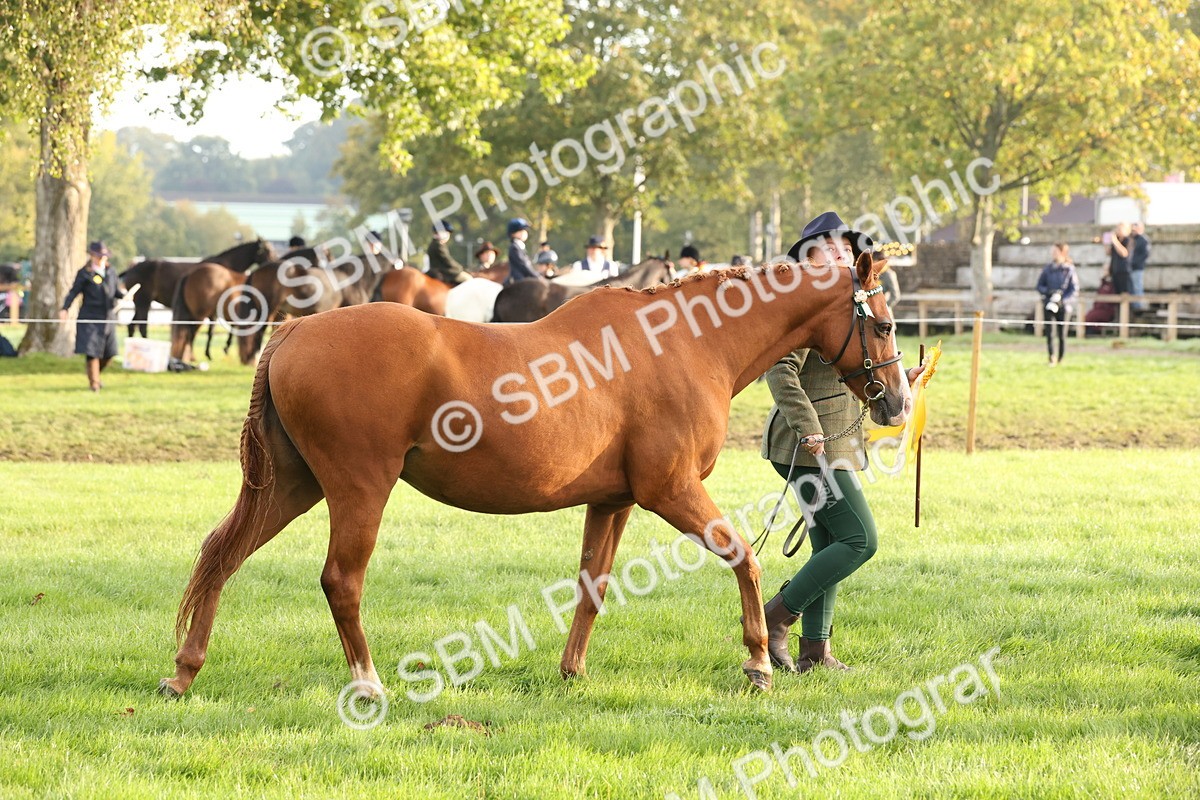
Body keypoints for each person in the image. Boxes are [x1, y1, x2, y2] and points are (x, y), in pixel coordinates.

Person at [760, 211, 923, 674]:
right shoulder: (805, 302)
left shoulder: (844, 302)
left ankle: (815, 652)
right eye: (830, 247)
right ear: (808, 255)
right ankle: (774, 617)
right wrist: (808, 426)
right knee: (859, 539)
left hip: (837, 443)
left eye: (846, 248)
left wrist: (901, 384)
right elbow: (779, 369)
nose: (841, 254)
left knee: (828, 541)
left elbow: (857, 372)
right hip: (808, 446)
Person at [58, 241, 124, 392]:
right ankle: (94, 383)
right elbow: (74, 292)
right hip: (90, 317)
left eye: (104, 257)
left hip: (108, 317)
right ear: (92, 256)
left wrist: (126, 296)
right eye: (98, 256)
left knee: (110, 353)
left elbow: (114, 292)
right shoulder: (85, 273)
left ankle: (95, 376)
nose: (101, 259)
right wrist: (65, 308)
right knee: (92, 351)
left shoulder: (111, 271)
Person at [1036, 242, 1080, 366]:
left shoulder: (1069, 270)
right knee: (1049, 333)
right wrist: (1049, 294)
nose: (1053, 254)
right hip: (1049, 303)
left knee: (1062, 334)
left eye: (1055, 251)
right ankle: (1051, 357)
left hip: (1064, 306)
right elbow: (1039, 285)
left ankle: (1061, 358)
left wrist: (1062, 300)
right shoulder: (1048, 269)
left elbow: (1074, 289)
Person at [505, 218, 540, 285]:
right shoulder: (514, 248)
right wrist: (536, 276)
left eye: (524, 230)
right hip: (519, 280)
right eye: (521, 231)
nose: (524, 232)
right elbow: (524, 265)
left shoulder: (520, 246)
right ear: (513, 234)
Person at [1105, 222, 1133, 297]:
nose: (1118, 230)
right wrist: (1106, 242)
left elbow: (1124, 253)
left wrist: (1115, 241)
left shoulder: (1128, 240)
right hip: (1115, 271)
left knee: (1125, 294)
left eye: (1120, 229)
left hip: (1124, 271)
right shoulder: (1116, 240)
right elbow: (1108, 253)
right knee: (1115, 294)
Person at [1130, 222, 1151, 311]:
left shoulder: (1144, 240)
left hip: (1137, 267)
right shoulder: (1132, 239)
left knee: (1137, 286)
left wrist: (1134, 262)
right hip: (1130, 267)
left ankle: (1138, 305)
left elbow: (1145, 254)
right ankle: (1133, 304)